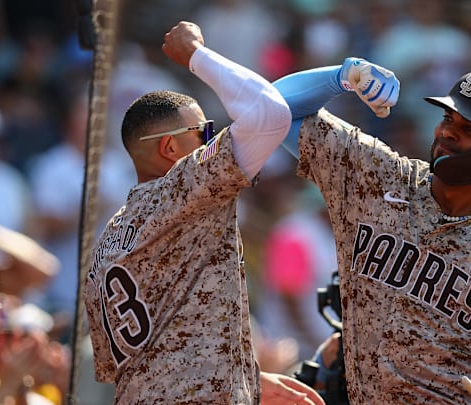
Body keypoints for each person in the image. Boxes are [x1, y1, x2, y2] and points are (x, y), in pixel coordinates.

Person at [272, 58, 471, 403]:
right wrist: (341, 78)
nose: (446, 132)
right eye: (447, 118)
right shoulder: (379, 178)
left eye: (469, 129)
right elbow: (273, 109)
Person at [82, 22, 323, 404]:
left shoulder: (107, 241)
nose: (212, 139)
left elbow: (136, 362)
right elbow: (269, 114)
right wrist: (195, 54)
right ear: (169, 149)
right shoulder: (182, 186)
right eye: (203, 132)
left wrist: (245, 375)